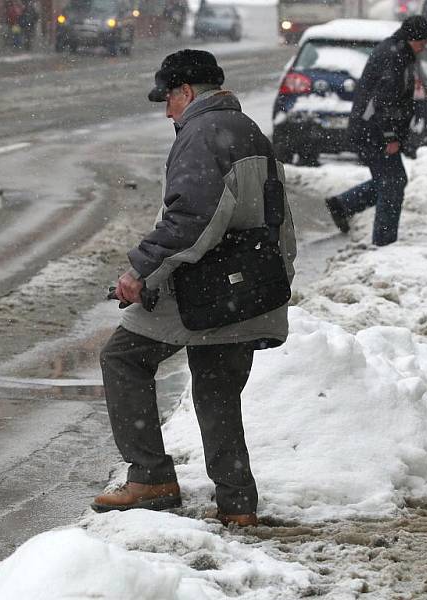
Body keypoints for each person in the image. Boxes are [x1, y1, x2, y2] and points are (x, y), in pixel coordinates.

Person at [92, 50, 297, 527]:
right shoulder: (248, 130)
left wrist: (139, 275)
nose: (166, 111)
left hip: (204, 290)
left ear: (185, 91)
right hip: (250, 287)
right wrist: (277, 281)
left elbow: (191, 220)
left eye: (167, 99)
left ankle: (150, 477)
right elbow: (280, 220)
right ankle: (238, 503)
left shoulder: (201, 134)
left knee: (122, 358)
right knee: (218, 391)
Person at [325, 16, 427, 246]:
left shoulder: (400, 53)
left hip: (371, 130)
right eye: (422, 42)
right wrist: (390, 136)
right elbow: (382, 102)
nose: (424, 47)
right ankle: (384, 243)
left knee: (390, 180)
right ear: (411, 38)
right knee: (392, 183)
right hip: (373, 132)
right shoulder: (394, 56)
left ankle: (343, 205)